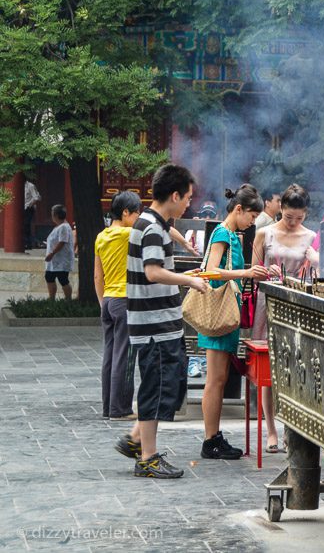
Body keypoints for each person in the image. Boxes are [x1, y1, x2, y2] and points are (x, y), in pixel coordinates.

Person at [113, 164, 209, 479]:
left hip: (160, 321)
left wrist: (185, 266)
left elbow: (159, 260)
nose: (188, 205)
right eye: (187, 198)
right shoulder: (151, 227)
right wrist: (188, 281)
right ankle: (148, 457)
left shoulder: (152, 221)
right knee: (156, 388)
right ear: (174, 195)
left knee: (169, 383)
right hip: (153, 324)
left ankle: (138, 439)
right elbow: (153, 272)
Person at [198, 184, 269, 460]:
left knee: (219, 378)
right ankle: (210, 440)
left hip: (227, 315)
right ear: (239, 209)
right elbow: (211, 271)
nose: (252, 221)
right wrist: (247, 271)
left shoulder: (232, 235)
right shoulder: (222, 233)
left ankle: (214, 437)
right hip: (219, 314)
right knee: (215, 380)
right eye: (251, 216)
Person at [251, 184, 317, 453]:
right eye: (289, 217)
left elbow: (317, 276)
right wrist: (266, 272)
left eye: (299, 218)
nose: (293, 223)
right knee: (269, 370)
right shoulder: (263, 233)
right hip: (267, 304)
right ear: (280, 209)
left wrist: (315, 261)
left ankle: (294, 428)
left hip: (298, 305)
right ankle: (270, 430)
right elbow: (252, 271)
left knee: (297, 368)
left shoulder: (311, 236)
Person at [94, 192, 142, 421]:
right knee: (125, 356)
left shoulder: (101, 237)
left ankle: (108, 407)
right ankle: (120, 409)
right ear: (125, 212)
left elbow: (97, 276)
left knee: (110, 355)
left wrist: (103, 303)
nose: (139, 217)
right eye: (136, 212)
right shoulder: (129, 234)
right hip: (125, 301)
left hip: (109, 300)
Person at [44, 205, 74, 300]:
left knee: (63, 279)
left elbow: (62, 242)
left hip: (61, 258)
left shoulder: (64, 227)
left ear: (56, 215)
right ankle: (51, 297)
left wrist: (52, 253)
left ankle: (68, 298)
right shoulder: (59, 226)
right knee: (49, 276)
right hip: (54, 259)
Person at [24, 179, 41, 249]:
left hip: (28, 208)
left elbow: (36, 197)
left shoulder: (30, 186)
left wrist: (29, 205)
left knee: (26, 225)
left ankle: (28, 244)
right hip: (21, 208)